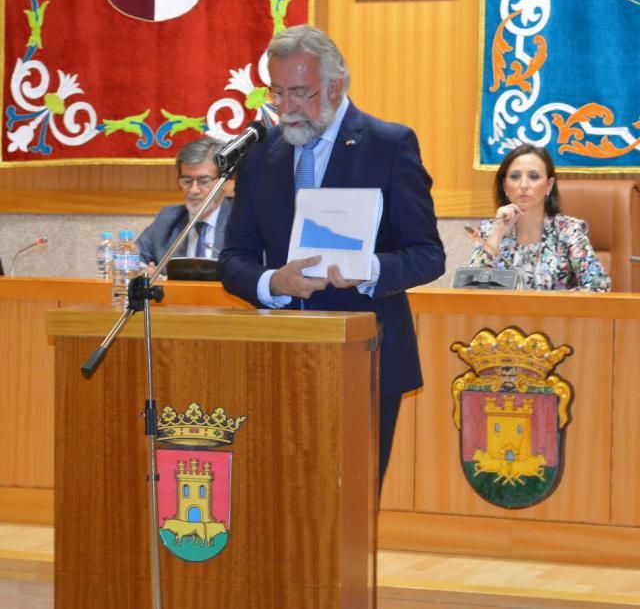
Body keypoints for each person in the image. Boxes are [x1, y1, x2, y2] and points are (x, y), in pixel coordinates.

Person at [219, 24, 445, 486]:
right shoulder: (261, 156)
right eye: (277, 92)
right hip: (278, 356)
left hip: (365, 355)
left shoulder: (389, 144)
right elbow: (234, 259)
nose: (286, 107)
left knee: (351, 501)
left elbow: (428, 254)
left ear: (336, 86)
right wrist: (272, 283)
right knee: (281, 496)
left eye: (299, 92)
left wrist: (370, 269)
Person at [468, 143, 611, 292]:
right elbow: (472, 292)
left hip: (556, 314)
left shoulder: (567, 231)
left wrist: (546, 306)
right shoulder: (488, 230)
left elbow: (599, 286)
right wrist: (496, 234)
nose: (523, 185)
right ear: (505, 186)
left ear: (549, 186)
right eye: (515, 176)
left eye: (533, 176)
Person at [136, 136, 232, 270]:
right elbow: (133, 258)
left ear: (225, 183)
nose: (193, 190)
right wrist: (144, 272)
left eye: (203, 181)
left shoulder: (241, 221)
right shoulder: (168, 218)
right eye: (187, 181)